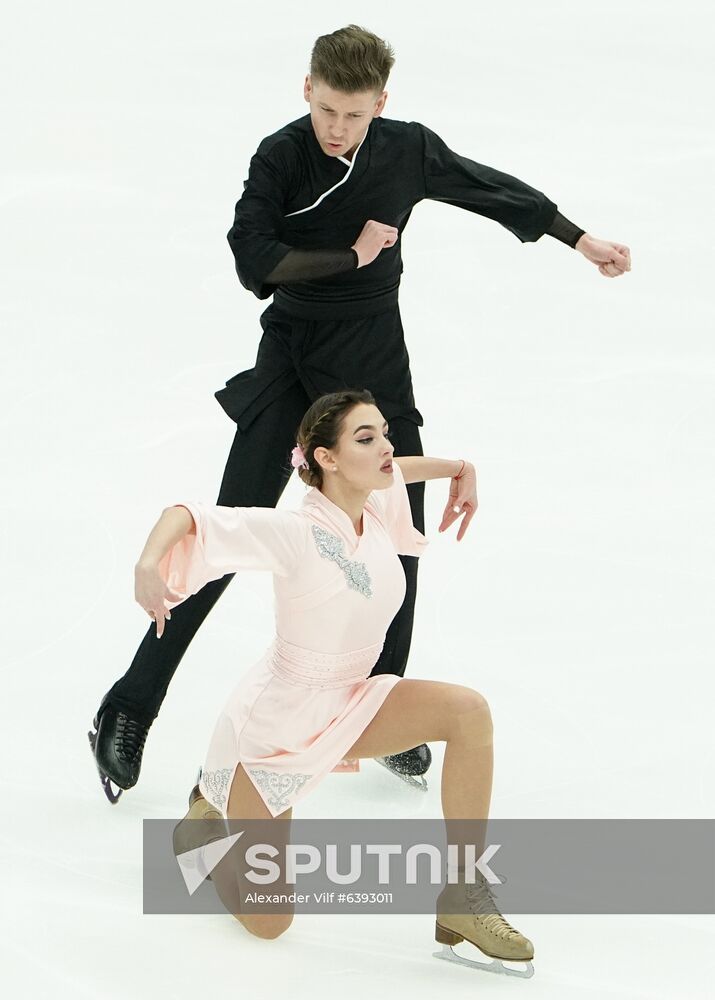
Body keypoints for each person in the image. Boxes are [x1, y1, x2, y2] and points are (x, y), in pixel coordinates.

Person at [88, 23, 631, 803]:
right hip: (293, 358)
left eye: (354, 114)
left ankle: (381, 712)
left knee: (397, 550)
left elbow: (485, 186)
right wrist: (354, 255)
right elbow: (257, 261)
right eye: (327, 110)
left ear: (381, 103)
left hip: (374, 360)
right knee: (233, 527)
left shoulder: (404, 149)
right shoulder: (280, 155)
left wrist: (576, 238)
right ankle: (132, 702)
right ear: (307, 88)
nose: (337, 128)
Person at [151, 389, 533, 976]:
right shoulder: (295, 530)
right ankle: (209, 820)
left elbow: (402, 470)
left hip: (353, 700)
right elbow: (191, 517)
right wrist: (147, 565)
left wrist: (460, 468)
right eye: (366, 438)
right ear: (325, 459)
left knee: (468, 712)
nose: (386, 447)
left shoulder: (376, 506)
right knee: (270, 924)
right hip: (277, 730)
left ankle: (464, 895)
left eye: (383, 433)